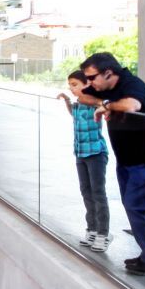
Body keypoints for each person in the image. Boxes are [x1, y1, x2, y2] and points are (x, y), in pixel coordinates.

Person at [79, 51, 145, 275]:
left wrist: (108, 106)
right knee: (138, 207)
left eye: (92, 78)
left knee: (139, 207)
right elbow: (83, 96)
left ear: (108, 73)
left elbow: (132, 105)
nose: (89, 83)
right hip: (128, 160)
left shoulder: (132, 84)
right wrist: (104, 102)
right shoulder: (104, 90)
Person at [59, 72, 111, 251]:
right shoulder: (79, 104)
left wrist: (99, 103)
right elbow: (75, 116)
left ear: (85, 84)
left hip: (96, 154)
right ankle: (92, 229)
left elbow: (104, 106)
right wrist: (67, 101)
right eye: (70, 85)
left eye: (74, 84)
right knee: (86, 191)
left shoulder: (94, 102)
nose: (71, 88)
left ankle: (103, 233)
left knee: (98, 192)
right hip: (81, 153)